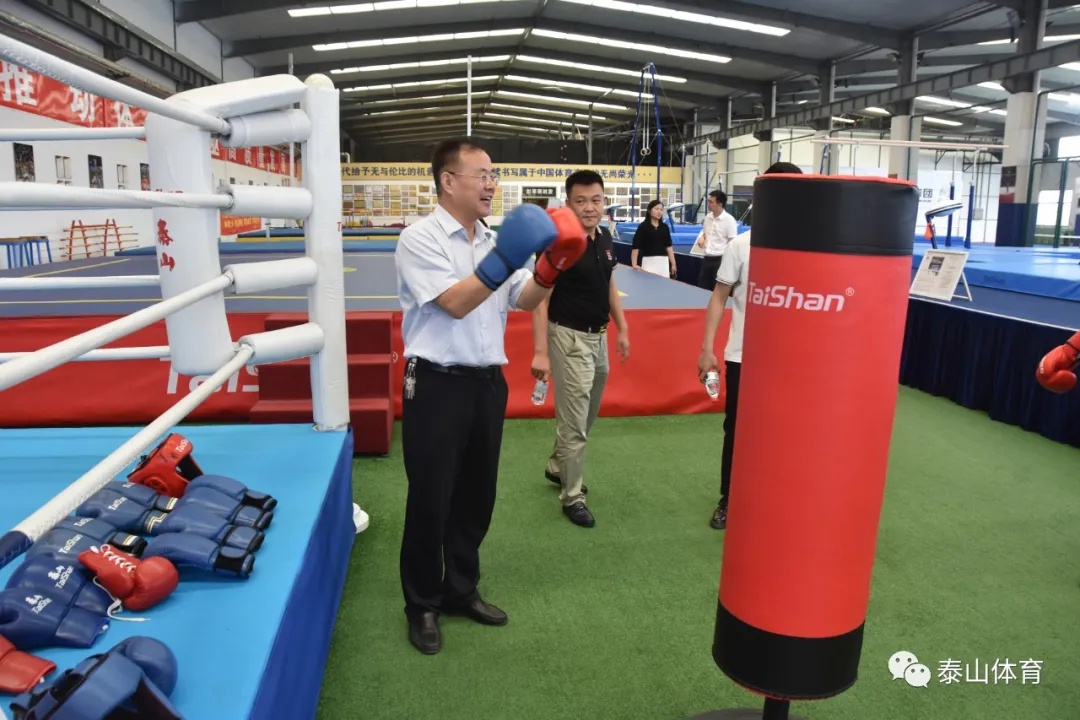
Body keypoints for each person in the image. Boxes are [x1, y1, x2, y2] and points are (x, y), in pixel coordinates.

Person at [394, 137, 588, 654]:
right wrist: (507, 255)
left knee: (476, 495)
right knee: (431, 498)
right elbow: (456, 303)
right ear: (447, 181)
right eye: (480, 174)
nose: (491, 184)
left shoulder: (491, 239)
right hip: (435, 382)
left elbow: (525, 297)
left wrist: (552, 266)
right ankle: (421, 604)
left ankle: (460, 590)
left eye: (493, 174)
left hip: (486, 383)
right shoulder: (419, 238)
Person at [697, 162, 803, 530]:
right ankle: (730, 498)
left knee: (788, 431)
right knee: (738, 430)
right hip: (744, 357)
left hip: (793, 362)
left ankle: (780, 497)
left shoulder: (811, 249)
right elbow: (718, 297)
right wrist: (707, 348)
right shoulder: (741, 246)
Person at [530, 169, 631, 528]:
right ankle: (572, 497)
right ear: (568, 204)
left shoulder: (605, 237)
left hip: (598, 337)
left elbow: (609, 283)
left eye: (596, 200)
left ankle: (557, 465)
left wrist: (622, 327)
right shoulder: (558, 243)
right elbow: (540, 299)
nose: (590, 207)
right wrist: (540, 351)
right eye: (581, 201)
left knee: (586, 416)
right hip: (568, 338)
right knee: (574, 424)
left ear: (604, 202)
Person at [695, 189, 738, 291]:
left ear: (720, 204)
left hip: (720, 260)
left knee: (717, 291)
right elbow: (705, 232)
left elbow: (732, 243)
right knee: (702, 289)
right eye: (708, 201)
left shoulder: (729, 220)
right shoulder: (707, 218)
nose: (708, 204)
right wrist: (702, 237)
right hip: (706, 259)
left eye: (711, 202)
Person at [630, 199, 676, 278]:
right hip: (648, 262)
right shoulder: (643, 227)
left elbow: (669, 246)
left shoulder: (664, 227)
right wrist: (634, 264)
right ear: (649, 210)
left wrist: (673, 264)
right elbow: (635, 246)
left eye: (661, 210)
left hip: (663, 263)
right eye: (656, 209)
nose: (659, 212)